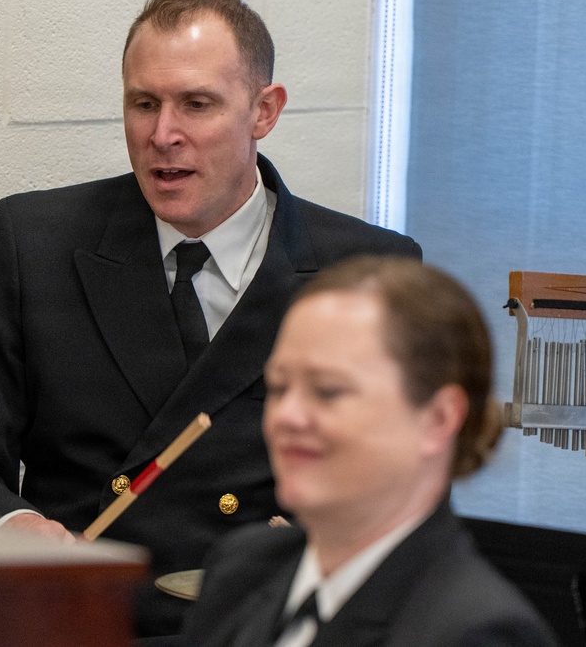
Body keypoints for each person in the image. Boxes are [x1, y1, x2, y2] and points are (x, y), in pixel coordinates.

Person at [0, 0, 420, 638]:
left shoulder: (370, 275)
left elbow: (405, 493)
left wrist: (336, 533)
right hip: (79, 621)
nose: (162, 135)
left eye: (196, 105)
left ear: (264, 111)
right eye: (143, 104)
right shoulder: (34, 245)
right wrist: (18, 527)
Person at [183, 256, 559, 646]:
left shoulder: (474, 632)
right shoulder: (241, 569)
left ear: (438, 420)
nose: (286, 417)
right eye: (278, 388)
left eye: (328, 390)